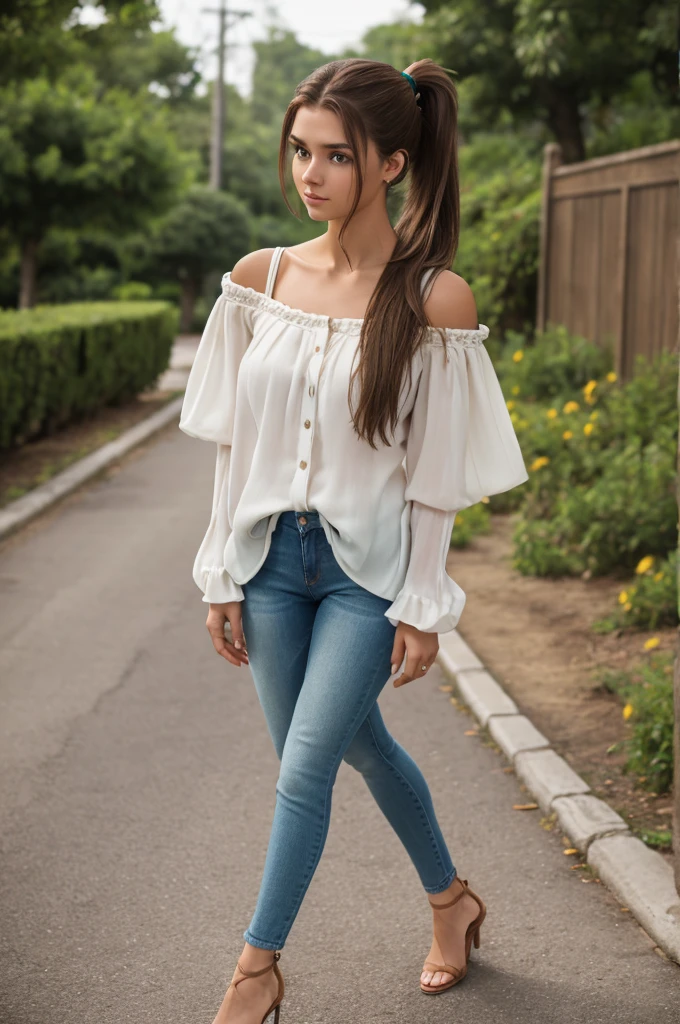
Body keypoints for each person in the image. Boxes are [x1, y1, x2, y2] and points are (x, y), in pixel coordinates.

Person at [179, 57, 529, 1024]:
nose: (311, 172)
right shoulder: (260, 281)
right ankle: (453, 903)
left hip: (362, 578)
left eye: (337, 154)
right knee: (355, 744)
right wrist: (220, 574)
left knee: (303, 769)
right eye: (301, 150)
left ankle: (256, 971)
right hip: (268, 569)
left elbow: (435, 482)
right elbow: (230, 448)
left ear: (394, 164)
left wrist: (422, 603)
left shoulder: (432, 302)